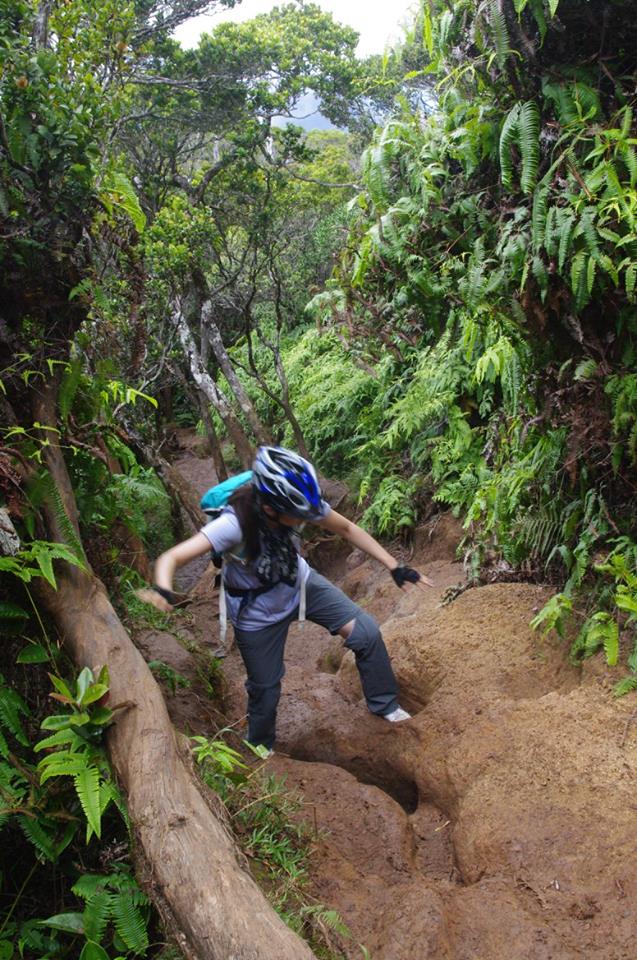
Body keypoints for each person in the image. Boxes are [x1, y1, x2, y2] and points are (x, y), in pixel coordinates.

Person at [142, 446, 433, 755]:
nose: (306, 519)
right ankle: (260, 748)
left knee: (367, 633)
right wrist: (162, 590)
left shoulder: (297, 503)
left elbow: (346, 528)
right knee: (265, 690)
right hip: (256, 612)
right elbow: (172, 557)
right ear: (270, 507)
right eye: (298, 515)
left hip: (299, 583)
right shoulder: (233, 525)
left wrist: (394, 566)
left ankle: (384, 706)